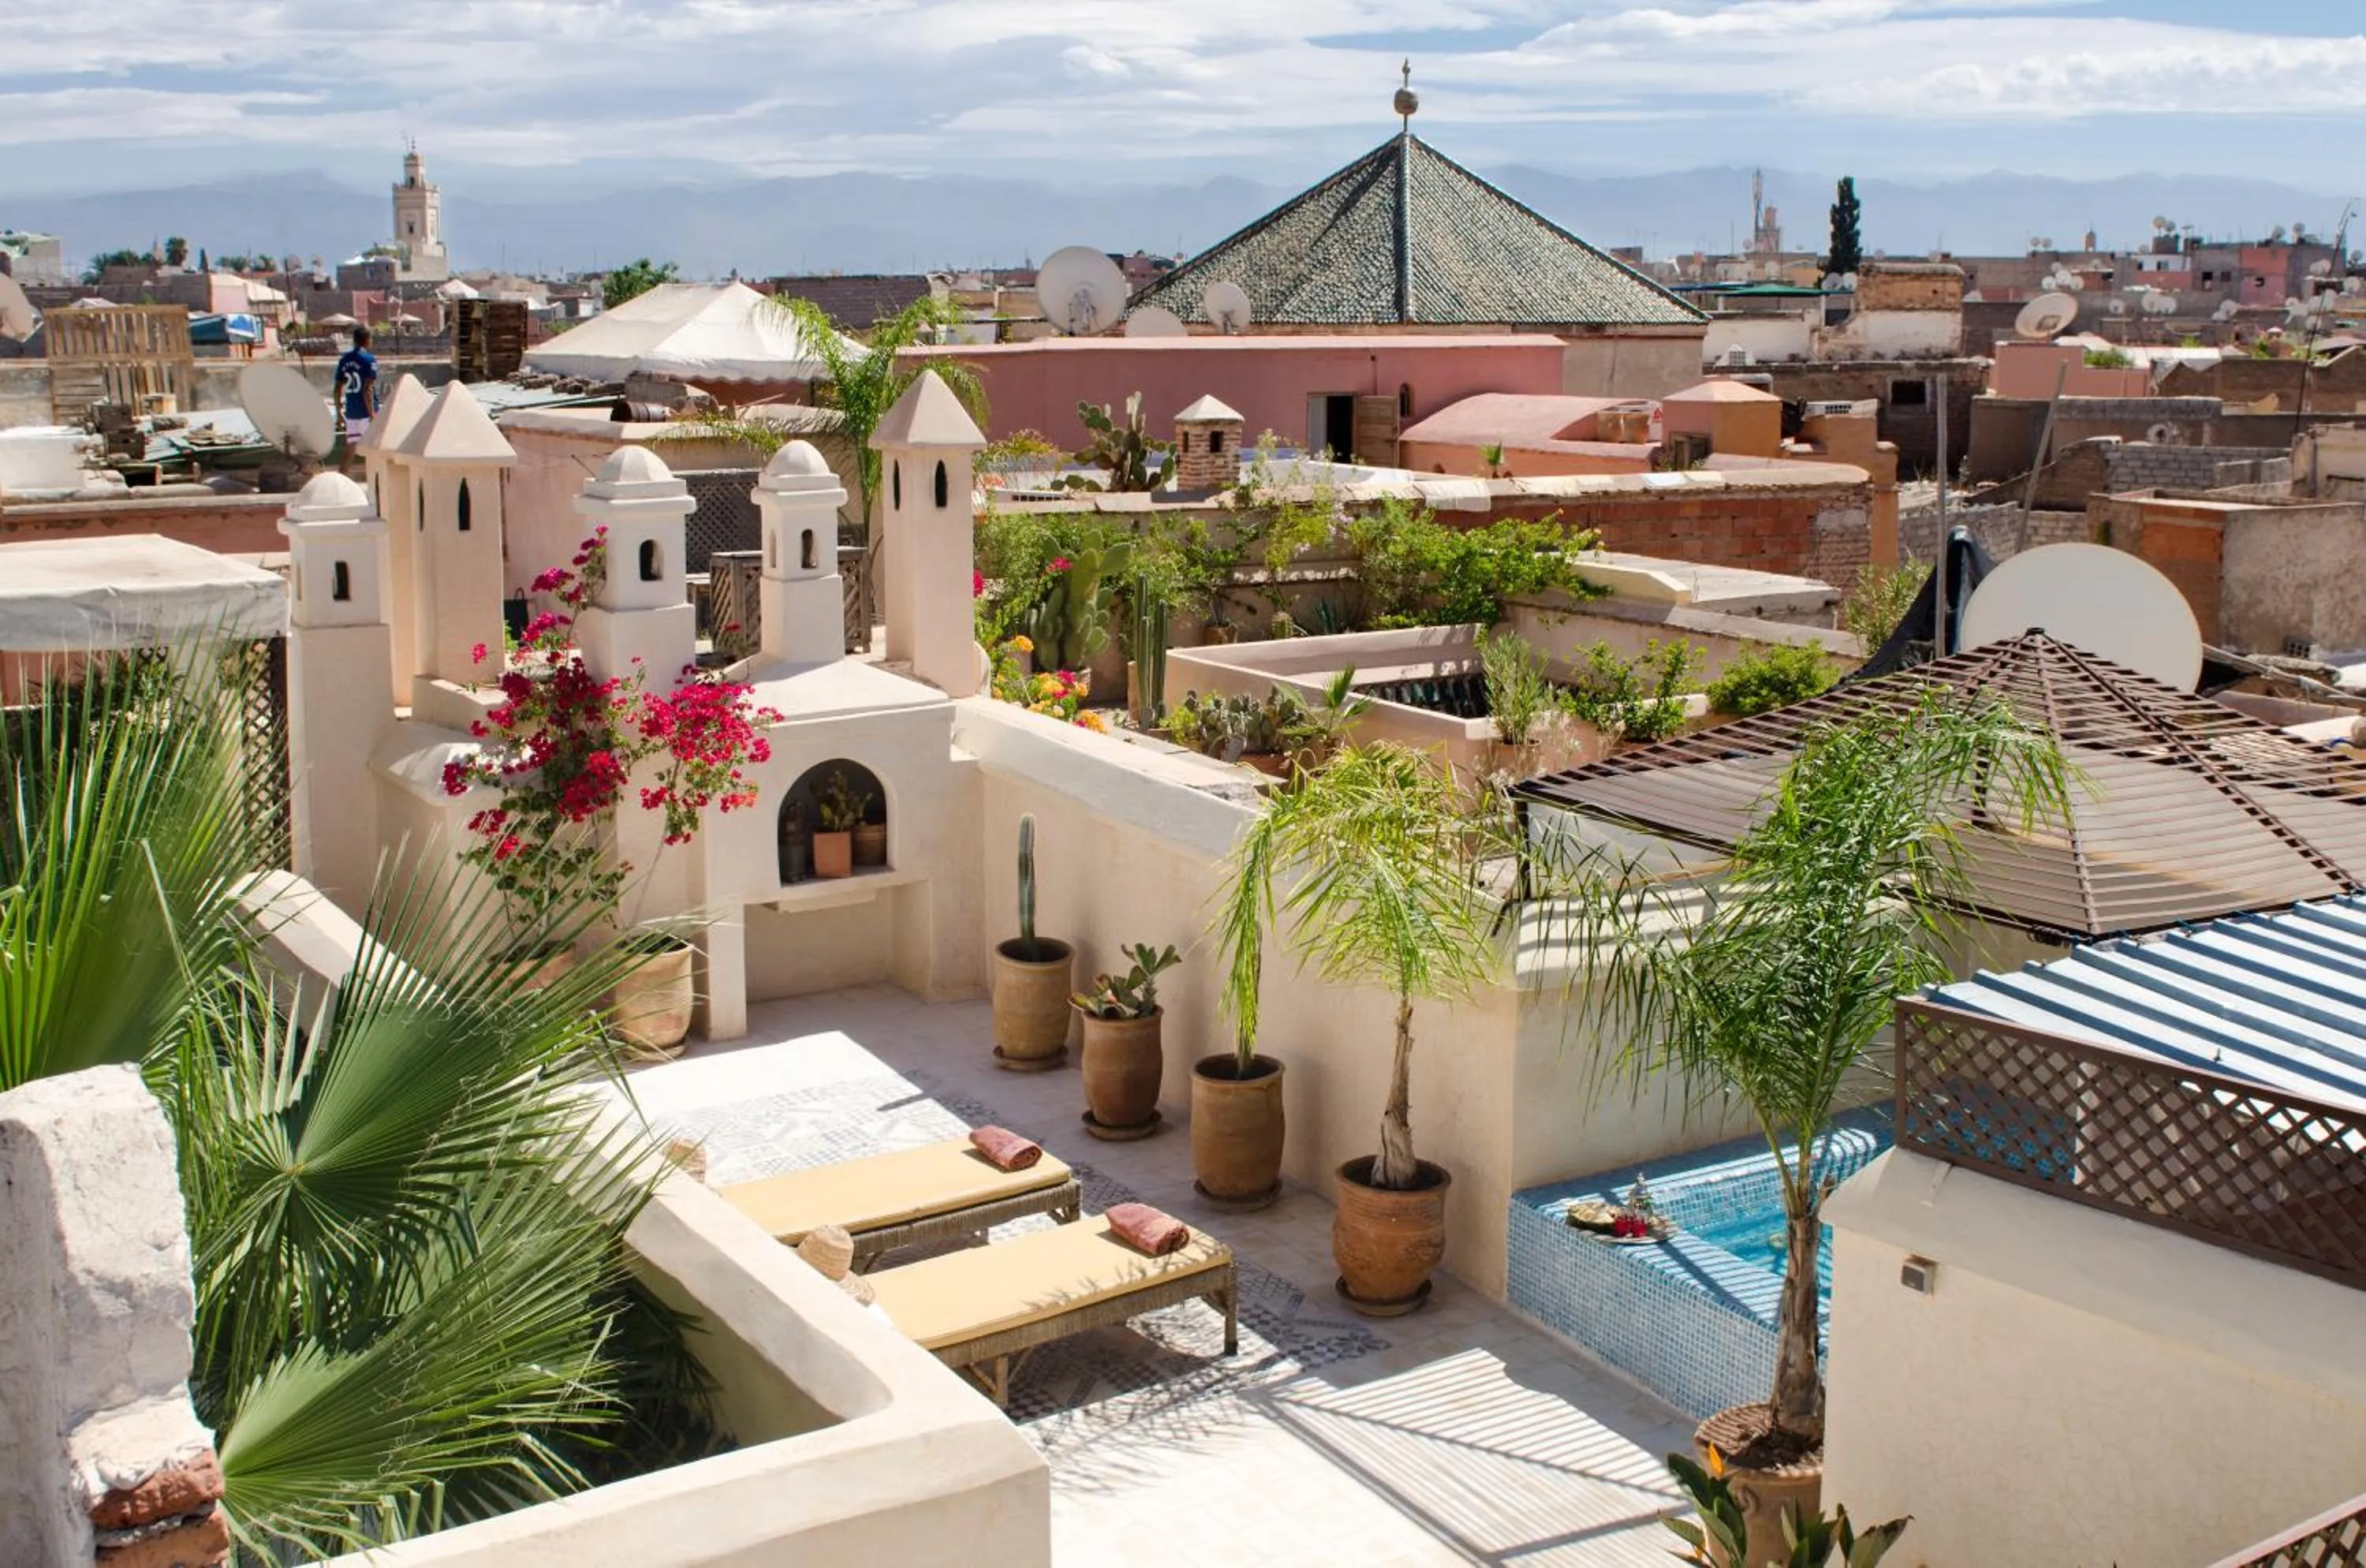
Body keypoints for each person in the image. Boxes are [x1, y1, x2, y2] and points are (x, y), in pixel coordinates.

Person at [335, 327, 379, 472]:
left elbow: (337, 388)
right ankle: (374, 483)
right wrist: (372, 414)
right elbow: (368, 389)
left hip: (352, 413)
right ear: (367, 340)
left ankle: (341, 478)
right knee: (372, 451)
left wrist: (339, 413)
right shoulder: (369, 361)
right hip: (366, 413)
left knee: (350, 449)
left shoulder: (344, 360)